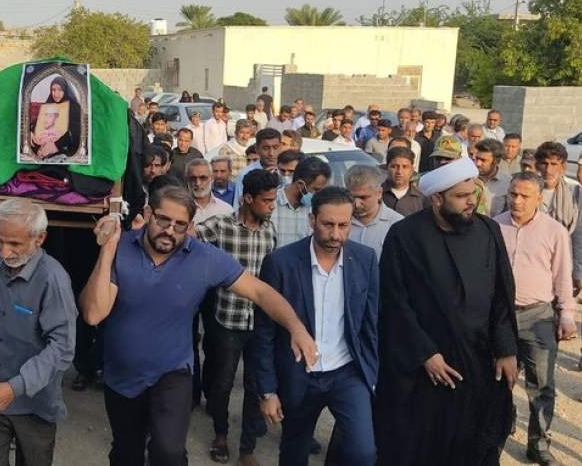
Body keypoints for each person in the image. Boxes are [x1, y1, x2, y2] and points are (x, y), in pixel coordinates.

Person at [79, 186, 318, 466]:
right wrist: (108, 250)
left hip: (172, 373)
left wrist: (296, 327)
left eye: (180, 225)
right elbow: (93, 314)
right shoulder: (121, 247)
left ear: (190, 225)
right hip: (122, 375)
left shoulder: (204, 258)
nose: (170, 231)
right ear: (148, 213)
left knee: (169, 452)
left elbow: (260, 292)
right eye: (163, 220)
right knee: (126, 454)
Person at [375, 157, 519, 466]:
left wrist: (506, 349)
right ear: (437, 199)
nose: (471, 202)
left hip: (479, 363)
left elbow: (502, 295)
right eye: (461, 196)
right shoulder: (405, 235)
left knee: (476, 446)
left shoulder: (488, 230)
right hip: (428, 371)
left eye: (472, 194)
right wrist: (425, 353)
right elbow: (395, 303)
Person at [254, 186, 379, 466]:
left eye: (343, 225)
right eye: (328, 224)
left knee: (363, 453)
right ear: (312, 220)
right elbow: (264, 334)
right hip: (299, 375)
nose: (336, 234)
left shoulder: (365, 259)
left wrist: (371, 373)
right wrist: (268, 391)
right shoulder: (281, 263)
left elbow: (370, 323)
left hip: (347, 373)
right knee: (294, 453)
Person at [0, 198, 77, 466]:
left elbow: (62, 348)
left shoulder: (53, 279)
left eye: (15, 244)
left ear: (39, 238)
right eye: (0, 241)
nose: (4, 252)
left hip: (34, 404)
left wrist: (14, 388)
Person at [196, 169, 279, 465]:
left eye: (273, 200)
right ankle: (220, 434)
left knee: (256, 386)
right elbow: (188, 236)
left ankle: (247, 448)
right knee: (222, 384)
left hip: (259, 323)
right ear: (247, 199)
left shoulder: (270, 230)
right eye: (267, 200)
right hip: (227, 320)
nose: (271, 206)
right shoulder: (221, 226)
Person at [494, 172, 577, 466]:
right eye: (513, 194)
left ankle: (538, 443)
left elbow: (562, 276)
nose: (517, 201)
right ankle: (498, 433)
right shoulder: (494, 227)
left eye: (524, 196)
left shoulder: (555, 231)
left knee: (541, 384)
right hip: (499, 316)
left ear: (539, 199)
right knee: (497, 380)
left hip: (537, 316)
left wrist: (566, 315)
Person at [346, 165, 403, 260]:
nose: (357, 204)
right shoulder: (339, 222)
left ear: (379, 193)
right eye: (352, 197)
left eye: (363, 197)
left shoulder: (397, 224)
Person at [272, 156, 331, 248]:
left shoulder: (315, 208)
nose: (319, 195)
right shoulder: (272, 202)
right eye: (316, 189)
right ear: (300, 184)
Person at [233, 128, 282, 209]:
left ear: (281, 147)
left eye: (275, 147)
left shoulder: (287, 172)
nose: (271, 153)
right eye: (266, 148)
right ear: (256, 149)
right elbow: (238, 207)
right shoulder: (245, 174)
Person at [382, 146, 427, 216]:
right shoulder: (375, 194)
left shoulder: (422, 199)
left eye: (405, 167)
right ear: (387, 168)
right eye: (394, 166)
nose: (399, 172)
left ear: (412, 170)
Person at [187, 159, 233, 224]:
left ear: (212, 179)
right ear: (187, 180)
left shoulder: (226, 210)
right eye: (193, 178)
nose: (198, 183)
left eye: (203, 178)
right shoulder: (179, 208)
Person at [474, 139, 511, 217]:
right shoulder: (467, 178)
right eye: (476, 158)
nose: (478, 163)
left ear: (496, 162)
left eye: (483, 160)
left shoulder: (508, 183)